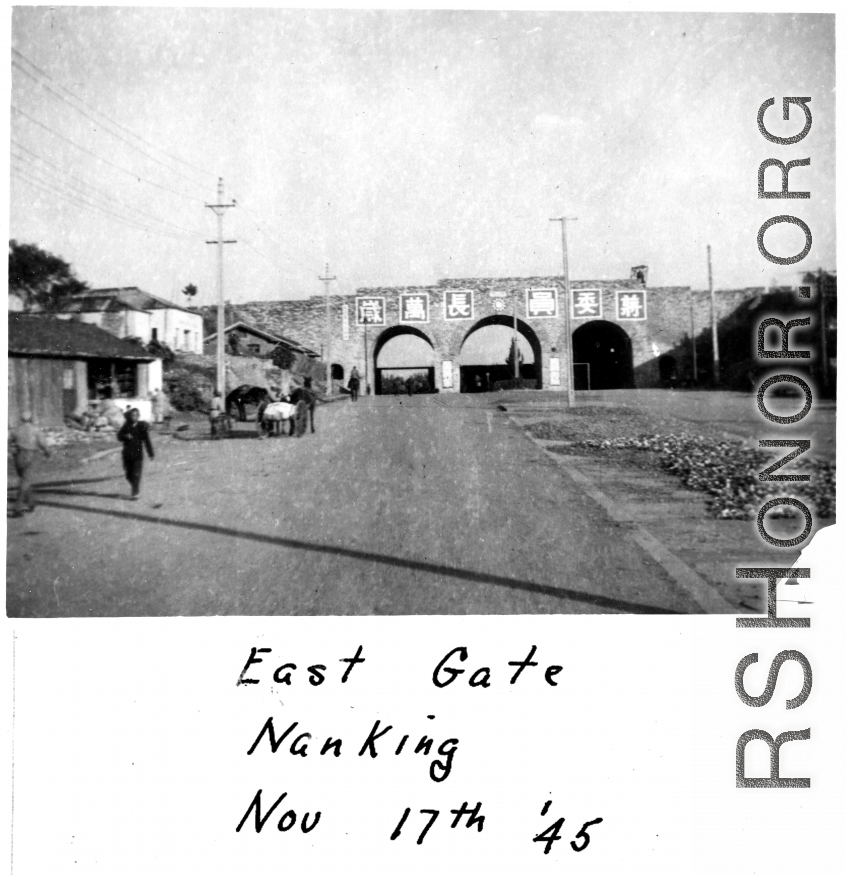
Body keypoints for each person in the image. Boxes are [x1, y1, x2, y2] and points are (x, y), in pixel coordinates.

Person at [8, 412, 52, 517]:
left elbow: (9, 442)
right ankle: (17, 508)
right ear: (31, 419)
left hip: (18, 455)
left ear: (21, 419)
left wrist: (12, 450)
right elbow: (43, 443)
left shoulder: (16, 430)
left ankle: (31, 503)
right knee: (25, 481)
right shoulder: (35, 430)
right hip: (30, 455)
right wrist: (47, 453)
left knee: (24, 479)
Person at [117, 408, 154, 500]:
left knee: (136, 474)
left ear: (138, 416)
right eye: (132, 415)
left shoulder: (142, 427)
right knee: (128, 475)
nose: (134, 417)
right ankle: (135, 487)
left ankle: (135, 492)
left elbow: (147, 441)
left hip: (138, 455)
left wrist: (150, 453)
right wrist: (125, 436)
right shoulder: (126, 425)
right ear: (130, 416)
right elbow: (119, 436)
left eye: (135, 415)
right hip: (127, 455)